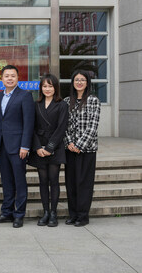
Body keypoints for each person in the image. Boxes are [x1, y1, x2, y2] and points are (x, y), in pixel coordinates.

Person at [0, 65, 35, 228]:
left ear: (18, 78)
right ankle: (7, 212)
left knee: (19, 181)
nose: (9, 78)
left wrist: (25, 146)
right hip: (2, 146)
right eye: (6, 76)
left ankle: (19, 214)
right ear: (1, 79)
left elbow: (29, 123)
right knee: (6, 180)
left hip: (18, 147)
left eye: (13, 76)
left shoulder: (25, 96)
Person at [27, 74, 68, 227]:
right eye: (44, 86)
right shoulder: (36, 104)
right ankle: (45, 212)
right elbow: (31, 127)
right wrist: (37, 147)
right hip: (39, 147)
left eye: (50, 86)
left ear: (55, 87)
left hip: (55, 147)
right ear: (41, 88)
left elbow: (62, 127)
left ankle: (53, 213)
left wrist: (50, 147)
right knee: (43, 181)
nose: (47, 89)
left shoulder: (62, 105)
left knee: (54, 180)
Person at [63, 70, 101, 227]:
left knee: (84, 183)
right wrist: (69, 143)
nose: (79, 82)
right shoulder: (66, 101)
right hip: (69, 149)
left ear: (87, 83)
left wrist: (80, 145)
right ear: (72, 82)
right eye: (76, 80)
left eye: (82, 80)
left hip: (87, 150)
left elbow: (93, 126)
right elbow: (63, 125)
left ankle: (83, 216)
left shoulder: (93, 100)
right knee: (71, 183)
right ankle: (73, 214)